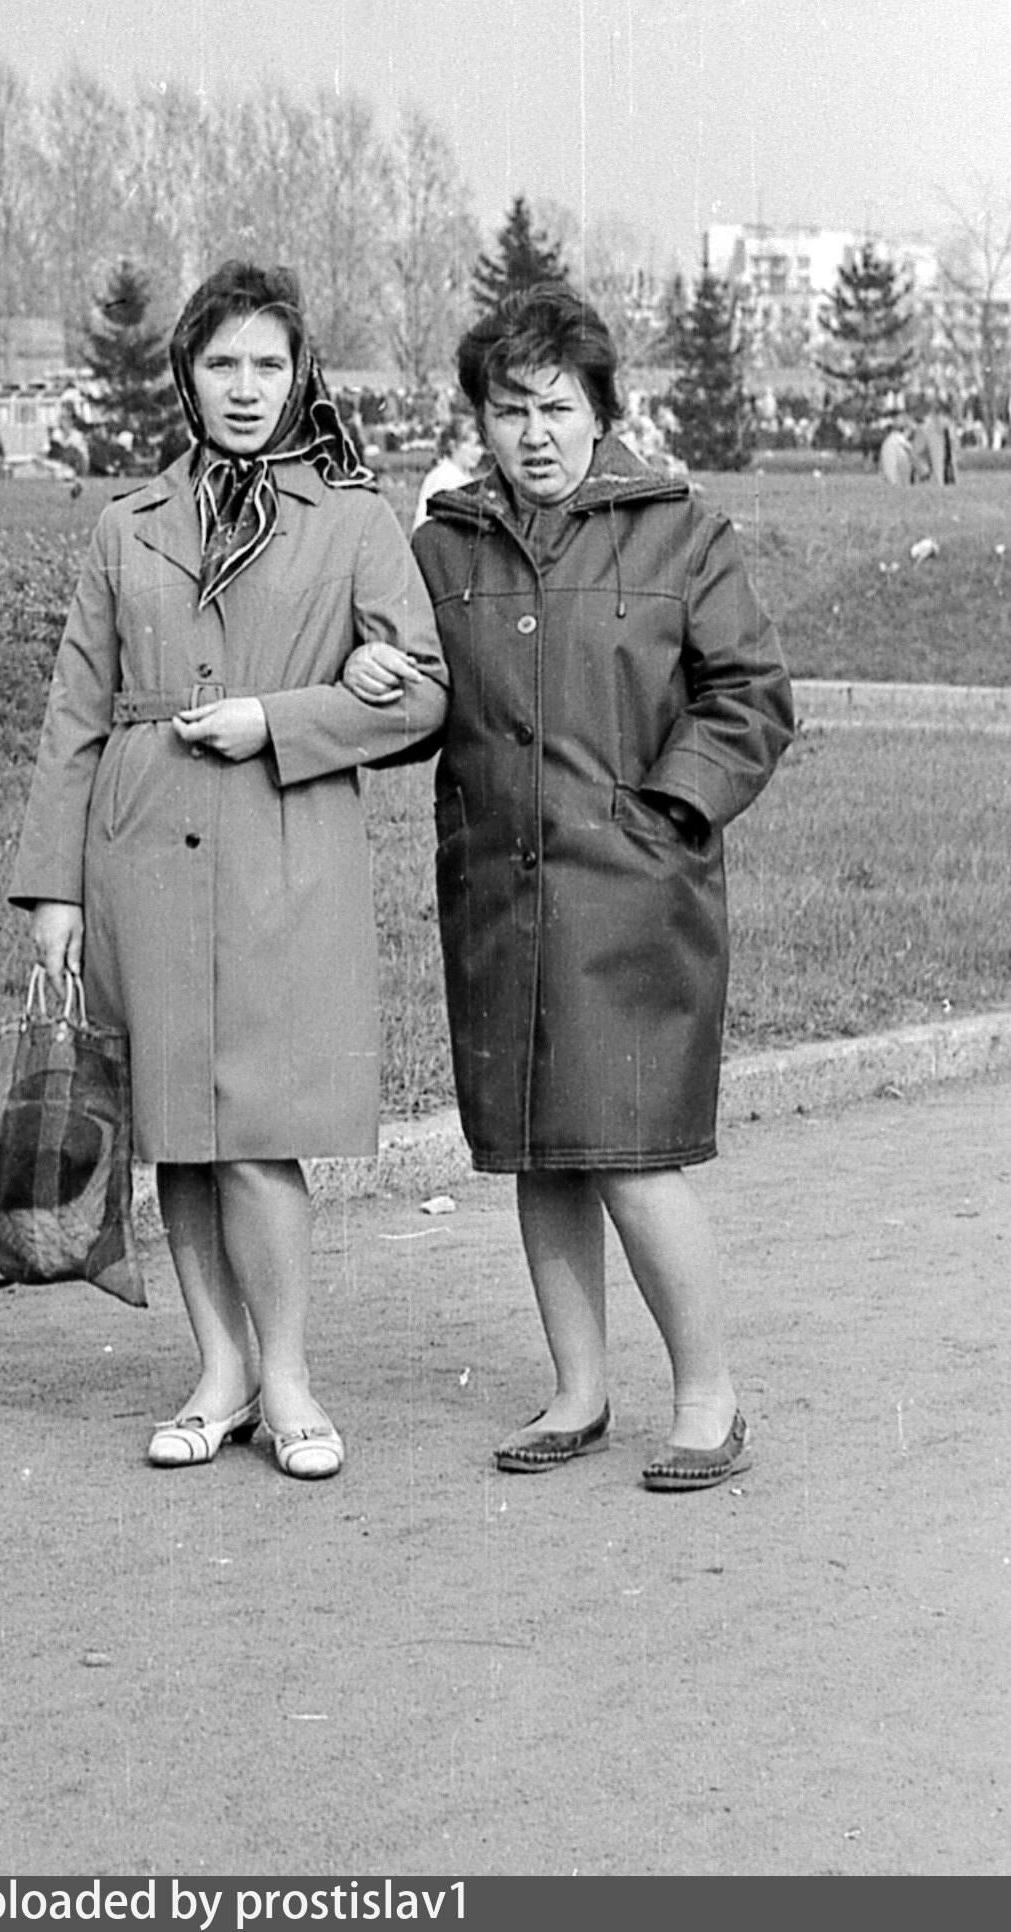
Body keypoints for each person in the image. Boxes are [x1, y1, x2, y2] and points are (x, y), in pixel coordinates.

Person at [347, 282, 793, 1492]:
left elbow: (750, 697)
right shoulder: (440, 550)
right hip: (497, 895)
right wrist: (377, 679)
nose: (532, 434)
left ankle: (706, 1400)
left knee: (631, 1154)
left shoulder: (680, 533)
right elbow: (420, 707)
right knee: (539, 1154)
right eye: (508, 410)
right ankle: (576, 1392)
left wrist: (666, 811)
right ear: (478, 420)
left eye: (554, 407)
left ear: (601, 410)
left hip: (634, 898)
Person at [9, 261, 447, 1482]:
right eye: (220, 364)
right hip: (140, 853)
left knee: (257, 1130)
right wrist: (53, 890)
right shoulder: (127, 524)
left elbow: (423, 690)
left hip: (279, 852)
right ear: (185, 377)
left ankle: (288, 1378)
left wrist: (284, 718)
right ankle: (219, 1373)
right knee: (177, 1134)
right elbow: (73, 713)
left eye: (267, 363)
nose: (244, 388)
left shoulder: (352, 518)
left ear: (299, 375)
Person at [413, 408, 483, 532]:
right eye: (473, 445)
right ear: (453, 446)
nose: (479, 452)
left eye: (481, 446)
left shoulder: (466, 477)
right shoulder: (442, 479)